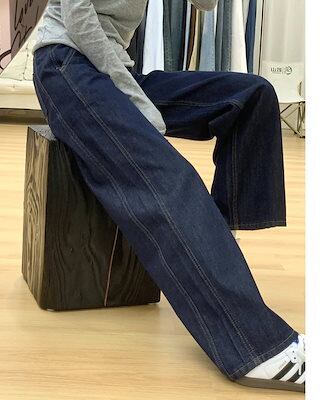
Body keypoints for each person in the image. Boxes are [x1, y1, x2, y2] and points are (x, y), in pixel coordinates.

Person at [31, 0, 305, 392]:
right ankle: (258, 348)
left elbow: (206, 6)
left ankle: (211, 244)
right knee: (169, 179)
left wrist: (129, 86)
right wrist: (134, 97)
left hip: (116, 69)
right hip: (66, 65)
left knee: (252, 95)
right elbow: (77, 19)